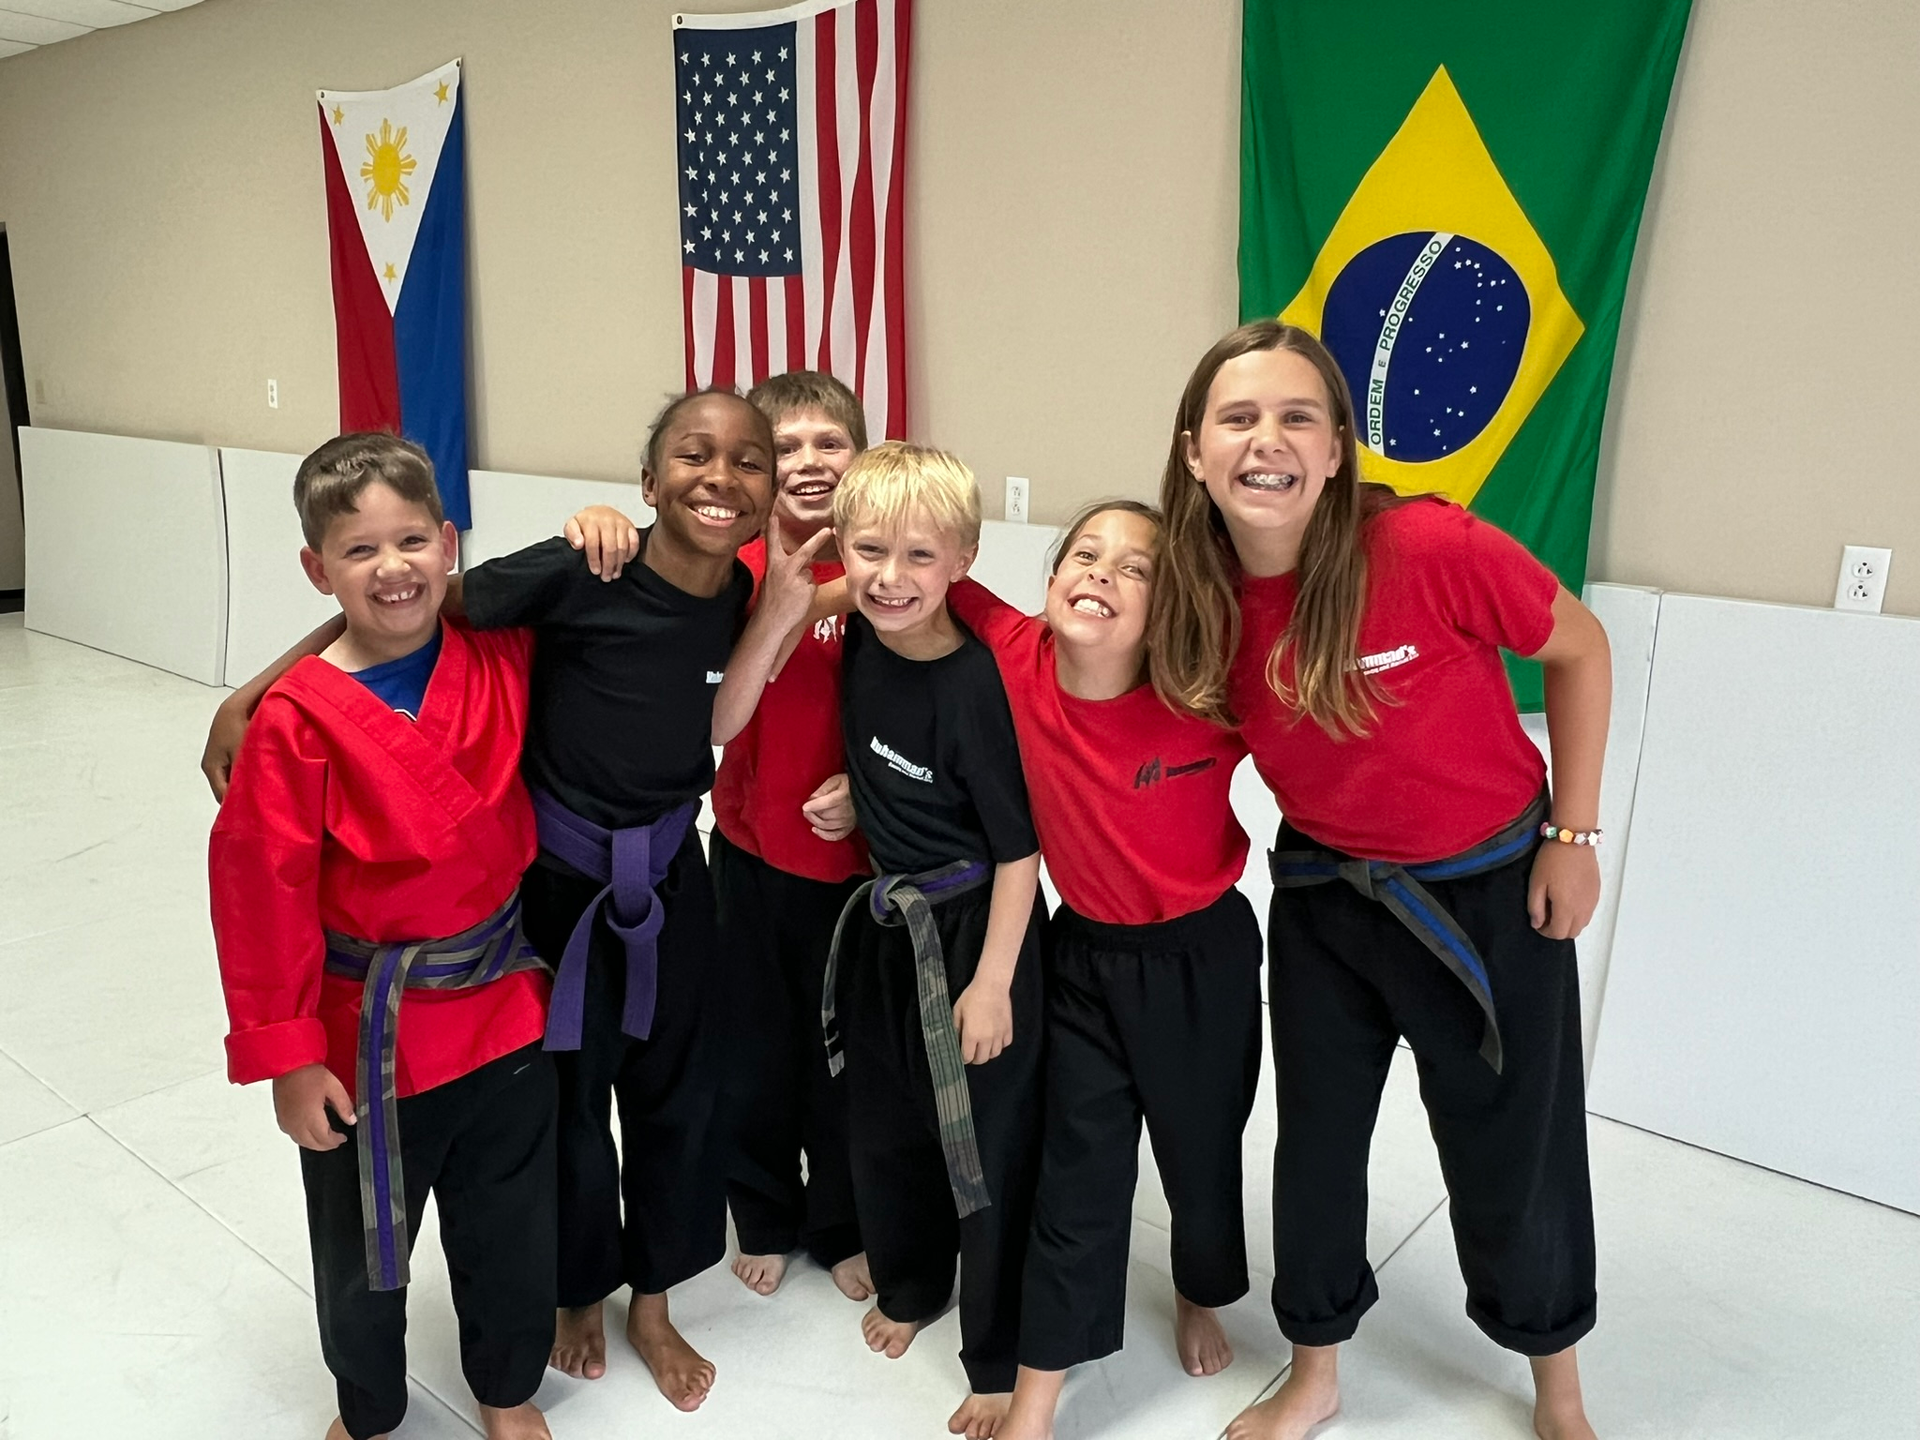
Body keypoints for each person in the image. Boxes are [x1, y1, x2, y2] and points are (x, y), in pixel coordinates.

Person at [203, 390, 813, 1414]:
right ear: (648, 480)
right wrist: (255, 690)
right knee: (553, 1119)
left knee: (655, 1109)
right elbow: (413, 606)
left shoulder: (738, 585)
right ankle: (531, 1318)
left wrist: (800, 598)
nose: (721, 476)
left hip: (621, 907)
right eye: (693, 456)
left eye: (746, 461)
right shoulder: (574, 575)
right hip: (514, 921)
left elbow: (859, 601)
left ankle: (633, 1313)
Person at [1153, 321, 1613, 1440]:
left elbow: (1582, 647)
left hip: (1492, 895)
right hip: (1326, 904)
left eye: (1298, 416)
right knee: (1313, 1149)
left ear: (1339, 448)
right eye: (1239, 418)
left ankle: (1556, 1382)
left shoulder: (1425, 548)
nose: (1269, 440)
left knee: (1516, 1146)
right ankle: (1314, 1372)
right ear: (1195, 449)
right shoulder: (1196, 597)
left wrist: (1576, 833)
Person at [208, 432, 556, 1440]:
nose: (392, 567)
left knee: (509, 1226)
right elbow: (260, 894)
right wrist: (287, 1057)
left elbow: (606, 596)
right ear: (318, 570)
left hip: (502, 1008)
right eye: (358, 552)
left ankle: (506, 1387)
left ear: (450, 545)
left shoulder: (501, 653)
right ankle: (367, 1403)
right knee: (361, 1244)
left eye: (412, 540)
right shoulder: (292, 721)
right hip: (368, 1035)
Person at [937, 502, 1263, 1440]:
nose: (1103, 575)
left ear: (1172, 607)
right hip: (1079, 956)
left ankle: (1201, 1291)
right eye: (1085, 555)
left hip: (1203, 954)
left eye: (1137, 569)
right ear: (1048, 582)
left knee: (1201, 1151)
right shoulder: (1015, 652)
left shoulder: (1205, 691)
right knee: (1075, 1170)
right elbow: (929, 581)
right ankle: (1038, 1394)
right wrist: (811, 587)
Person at [566, 369, 875, 1305]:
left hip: (858, 870)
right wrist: (598, 522)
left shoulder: (891, 565)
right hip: (745, 856)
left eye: (832, 443)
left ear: (863, 455)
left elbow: (933, 703)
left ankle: (846, 1220)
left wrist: (871, 787)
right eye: (786, 450)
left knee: (851, 1058)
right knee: (752, 1052)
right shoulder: (728, 570)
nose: (810, 463)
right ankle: (768, 1209)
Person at [803, 441, 1048, 1440]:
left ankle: (995, 1358)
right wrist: (855, 797)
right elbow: (900, 771)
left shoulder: (977, 687)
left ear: (964, 559)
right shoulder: (860, 639)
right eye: (868, 552)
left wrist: (992, 985)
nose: (889, 578)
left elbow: (1017, 855)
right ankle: (910, 1283)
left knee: (984, 1151)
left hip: (975, 934)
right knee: (887, 1118)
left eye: (917, 556)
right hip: (883, 924)